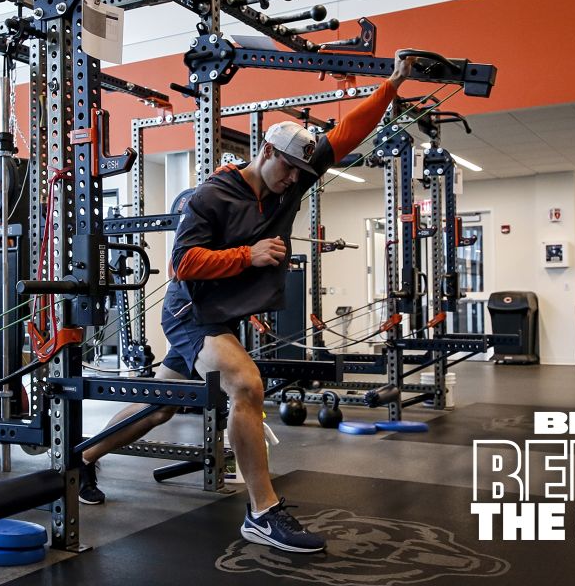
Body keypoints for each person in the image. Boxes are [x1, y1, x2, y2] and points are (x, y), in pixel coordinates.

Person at [78, 53, 417, 553]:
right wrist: (247, 255)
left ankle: (80, 460)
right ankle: (262, 512)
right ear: (265, 151)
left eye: (301, 170)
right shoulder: (211, 196)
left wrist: (390, 87)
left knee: (156, 410)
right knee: (246, 383)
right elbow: (184, 263)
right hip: (189, 312)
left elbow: (345, 134)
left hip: (221, 315)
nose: (293, 178)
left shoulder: (294, 176)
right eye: (287, 168)